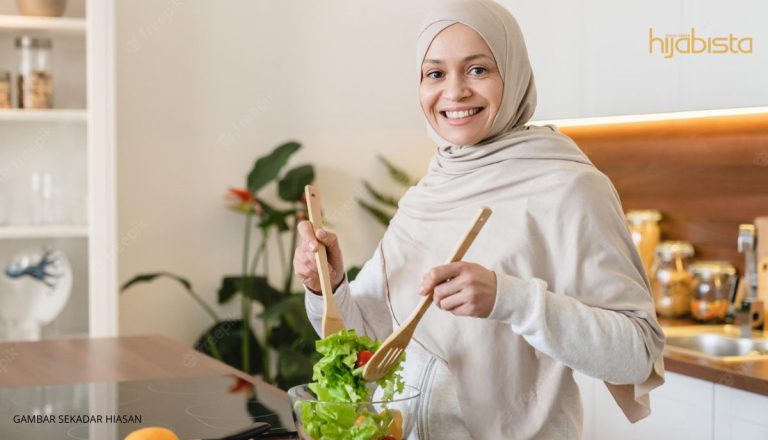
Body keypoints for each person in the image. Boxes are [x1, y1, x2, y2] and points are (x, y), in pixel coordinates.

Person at [293, 0, 664, 438]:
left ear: (513, 72)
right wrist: (329, 287)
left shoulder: (569, 187)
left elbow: (638, 352)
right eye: (435, 73)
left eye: (477, 70)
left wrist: (512, 300)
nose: (454, 92)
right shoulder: (429, 191)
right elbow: (371, 343)